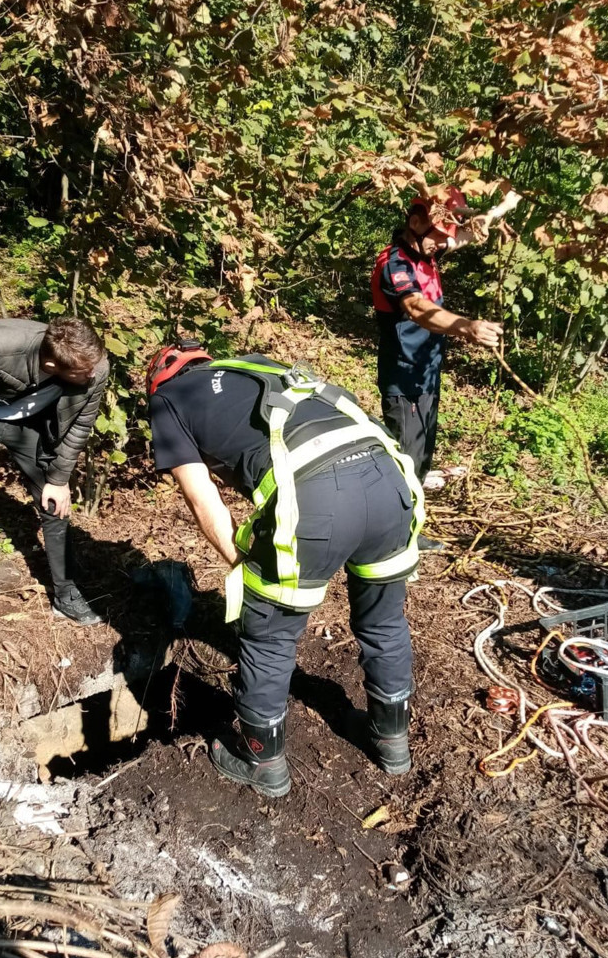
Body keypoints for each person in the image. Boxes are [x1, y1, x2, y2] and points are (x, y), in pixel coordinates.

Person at [147, 341, 425, 798]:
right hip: (390, 480)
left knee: (270, 637)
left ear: (157, 382)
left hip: (317, 500)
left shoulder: (168, 401)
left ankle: (262, 762)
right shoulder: (255, 366)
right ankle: (391, 742)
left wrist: (242, 563)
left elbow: (202, 499)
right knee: (385, 621)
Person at [0, 316, 108, 636]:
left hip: (31, 426)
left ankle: (66, 594)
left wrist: (58, 479)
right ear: (53, 364)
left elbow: (80, 426)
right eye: (84, 372)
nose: (93, 373)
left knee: (55, 503)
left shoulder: (95, 366)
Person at [371, 189, 503, 548]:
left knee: (422, 458)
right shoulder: (395, 263)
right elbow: (414, 307)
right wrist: (468, 327)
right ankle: (392, 540)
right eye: (438, 236)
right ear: (414, 224)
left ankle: (407, 530)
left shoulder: (426, 249)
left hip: (427, 373)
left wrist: (502, 205)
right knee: (406, 462)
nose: (443, 244)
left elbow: (467, 234)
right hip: (404, 377)